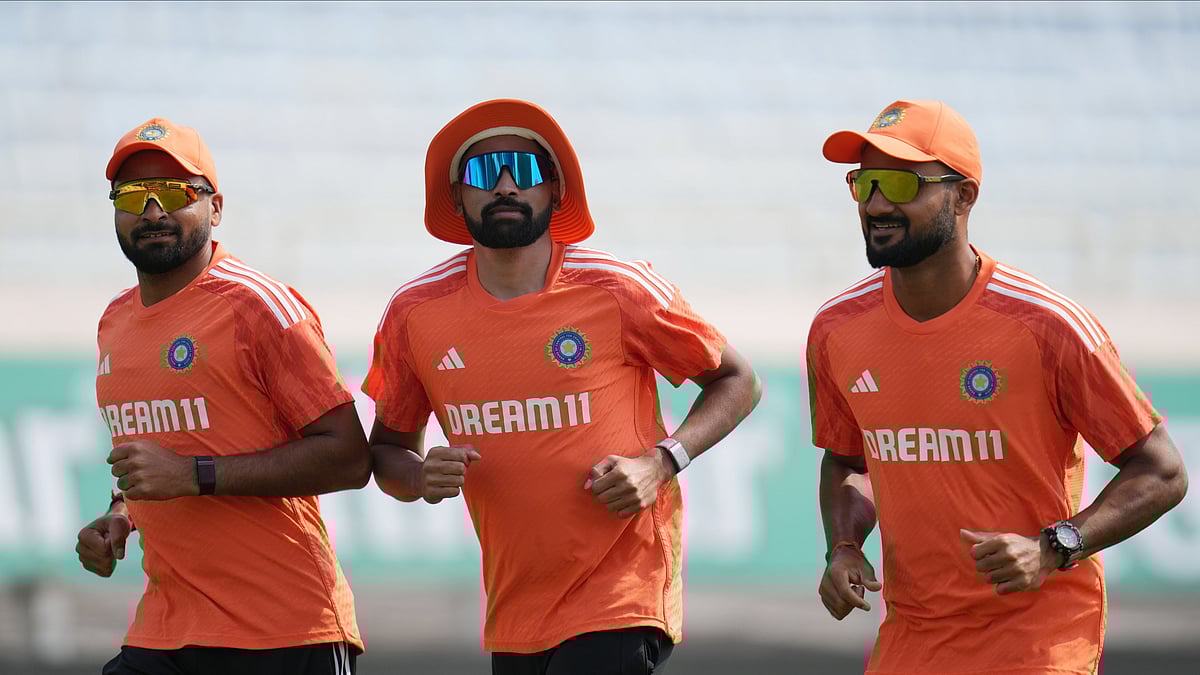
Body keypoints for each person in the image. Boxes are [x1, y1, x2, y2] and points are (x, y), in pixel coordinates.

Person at [363, 98, 762, 674]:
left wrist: (661, 462)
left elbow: (739, 381)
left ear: (553, 191)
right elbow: (386, 454)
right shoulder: (414, 311)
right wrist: (420, 476)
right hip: (514, 607)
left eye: (523, 173)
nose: (504, 187)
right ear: (457, 197)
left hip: (622, 594)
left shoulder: (619, 287)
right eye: (482, 172)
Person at [806, 99, 1189, 674]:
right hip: (912, 637)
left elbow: (1162, 470)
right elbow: (847, 461)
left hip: (1038, 636)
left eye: (902, 183)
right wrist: (843, 546)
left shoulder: (1048, 325)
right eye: (865, 184)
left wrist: (1054, 547)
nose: (878, 204)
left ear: (963, 197)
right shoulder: (836, 330)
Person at [75, 118, 370, 675]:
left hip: (282, 630)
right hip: (165, 627)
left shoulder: (259, 306)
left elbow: (351, 457)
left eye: (173, 192)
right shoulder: (114, 320)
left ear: (214, 209)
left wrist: (194, 475)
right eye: (135, 195)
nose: (152, 212)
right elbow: (160, 452)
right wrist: (120, 515)